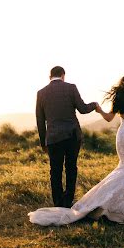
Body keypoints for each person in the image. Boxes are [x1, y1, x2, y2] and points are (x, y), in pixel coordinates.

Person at [28, 73, 124, 226]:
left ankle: (66, 201)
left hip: (119, 136)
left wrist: (43, 141)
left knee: (122, 167)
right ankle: (121, 204)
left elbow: (108, 118)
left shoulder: (118, 98)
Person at [35, 66, 97, 208]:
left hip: (53, 138)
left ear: (49, 76)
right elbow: (83, 109)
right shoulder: (71, 88)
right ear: (63, 75)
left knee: (55, 170)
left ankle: (58, 202)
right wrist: (94, 105)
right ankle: (68, 201)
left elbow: (40, 120)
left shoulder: (41, 93)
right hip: (72, 136)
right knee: (71, 167)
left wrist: (43, 142)